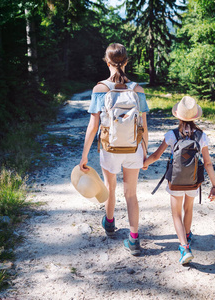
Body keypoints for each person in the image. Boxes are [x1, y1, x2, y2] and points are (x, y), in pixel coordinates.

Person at [79, 43, 149, 256]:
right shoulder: (138, 89)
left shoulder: (100, 89)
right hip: (133, 149)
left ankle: (109, 223)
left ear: (107, 62)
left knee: (110, 187)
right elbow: (144, 126)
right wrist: (145, 153)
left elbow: (93, 127)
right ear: (126, 62)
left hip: (109, 149)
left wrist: (84, 157)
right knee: (131, 194)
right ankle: (134, 240)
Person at [143, 96, 215, 264]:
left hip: (175, 181)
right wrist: (214, 185)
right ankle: (187, 235)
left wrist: (144, 164)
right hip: (193, 180)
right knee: (188, 209)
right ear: (195, 116)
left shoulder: (172, 135)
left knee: (176, 214)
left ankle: (184, 247)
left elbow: (156, 155)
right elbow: (207, 162)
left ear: (178, 116)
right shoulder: (201, 136)